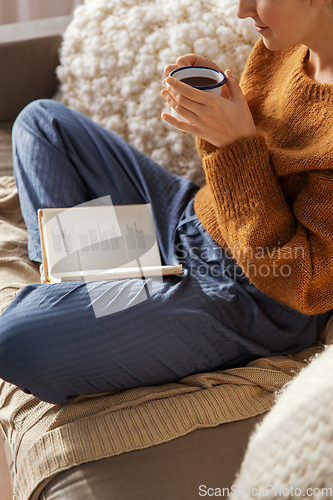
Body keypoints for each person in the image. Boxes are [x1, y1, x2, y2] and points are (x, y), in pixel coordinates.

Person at [0, 0, 332, 405]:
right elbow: (236, 170)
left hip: (252, 293)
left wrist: (234, 143)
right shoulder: (284, 47)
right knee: (42, 123)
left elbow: (305, 282)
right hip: (194, 219)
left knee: (14, 339)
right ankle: (119, 291)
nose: (243, 9)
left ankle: (116, 295)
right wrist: (213, 121)